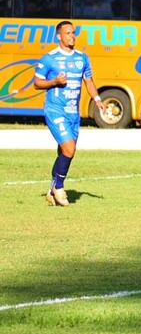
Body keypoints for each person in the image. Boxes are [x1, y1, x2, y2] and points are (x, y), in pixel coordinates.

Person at [33, 20, 105, 207]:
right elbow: (37, 83)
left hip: (74, 113)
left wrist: (97, 100)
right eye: (68, 33)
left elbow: (88, 81)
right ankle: (59, 187)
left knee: (64, 152)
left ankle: (51, 190)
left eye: (73, 33)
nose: (72, 36)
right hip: (55, 110)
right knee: (69, 149)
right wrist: (55, 82)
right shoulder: (49, 58)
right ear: (59, 36)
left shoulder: (82, 58)